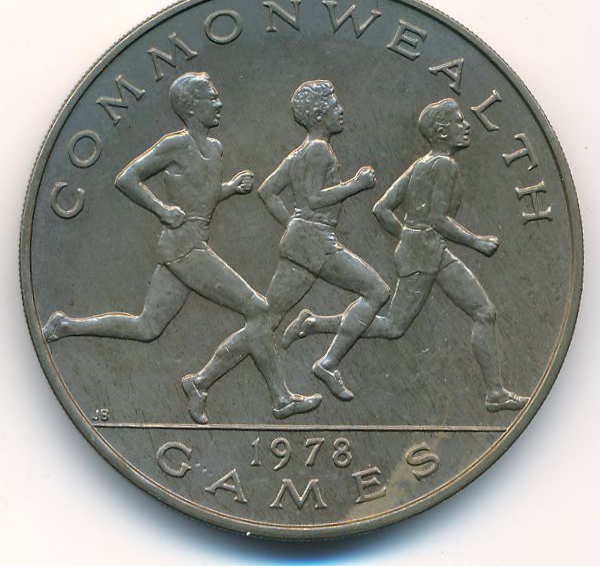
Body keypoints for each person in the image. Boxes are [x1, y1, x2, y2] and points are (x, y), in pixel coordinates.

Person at [42, 71, 321, 423]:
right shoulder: (175, 145)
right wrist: (161, 209)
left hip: (188, 245)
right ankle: (276, 398)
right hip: (184, 248)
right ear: (191, 108)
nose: (219, 103)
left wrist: (229, 189)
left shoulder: (215, 149)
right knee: (259, 310)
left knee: (147, 327)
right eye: (211, 98)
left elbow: (201, 197)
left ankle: (66, 325)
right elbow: (127, 178)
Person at [282, 98, 528, 412]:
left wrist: (409, 237)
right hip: (425, 253)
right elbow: (438, 219)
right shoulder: (445, 165)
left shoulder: (421, 165)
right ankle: (318, 334)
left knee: (483, 312)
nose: (466, 126)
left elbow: (382, 209)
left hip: (427, 250)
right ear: (442, 132)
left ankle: (494, 393)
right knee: (394, 327)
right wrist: (476, 242)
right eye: (458, 122)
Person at [258, 80, 390, 401]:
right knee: (376, 291)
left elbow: (267, 191)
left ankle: (203, 380)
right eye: (334, 105)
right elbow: (314, 199)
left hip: (304, 241)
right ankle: (328, 363)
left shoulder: (300, 152)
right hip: (316, 242)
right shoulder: (318, 150)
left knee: (266, 320)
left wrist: (293, 225)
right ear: (319, 114)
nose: (340, 110)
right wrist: (356, 184)